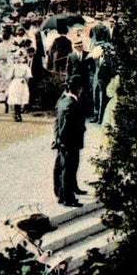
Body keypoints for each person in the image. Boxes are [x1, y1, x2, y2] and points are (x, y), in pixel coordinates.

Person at [53, 76, 87, 208]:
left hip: (65, 142)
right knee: (69, 169)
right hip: (71, 142)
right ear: (79, 89)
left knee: (64, 168)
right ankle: (68, 197)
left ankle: (63, 194)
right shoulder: (73, 104)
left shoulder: (63, 102)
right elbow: (67, 125)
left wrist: (58, 139)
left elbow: (58, 124)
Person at [7, 52, 32, 122]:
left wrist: (25, 81)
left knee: (21, 98)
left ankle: (19, 113)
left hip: (22, 82)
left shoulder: (25, 66)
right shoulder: (14, 66)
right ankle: (16, 114)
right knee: (15, 98)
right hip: (16, 82)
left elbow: (28, 76)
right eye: (17, 57)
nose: (18, 59)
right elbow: (10, 76)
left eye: (20, 57)